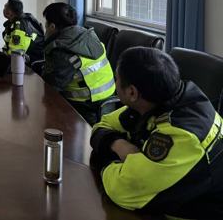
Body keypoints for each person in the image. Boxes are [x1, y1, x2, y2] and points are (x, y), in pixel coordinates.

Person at [90, 47, 223, 218]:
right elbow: (103, 125)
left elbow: (121, 190)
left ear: (132, 92)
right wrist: (118, 145)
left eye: (116, 79)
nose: (115, 84)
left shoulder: (183, 137)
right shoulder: (159, 101)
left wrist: (105, 157)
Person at [38, 2, 114, 124]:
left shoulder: (62, 49)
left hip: (85, 107)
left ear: (52, 26)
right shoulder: (88, 35)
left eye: (46, 24)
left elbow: (53, 86)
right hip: (109, 100)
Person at [0, 0, 44, 78]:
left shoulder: (20, 27)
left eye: (5, 7)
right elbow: (9, 47)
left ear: (9, 12)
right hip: (23, 65)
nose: (3, 9)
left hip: (30, 69)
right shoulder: (15, 22)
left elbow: (16, 53)